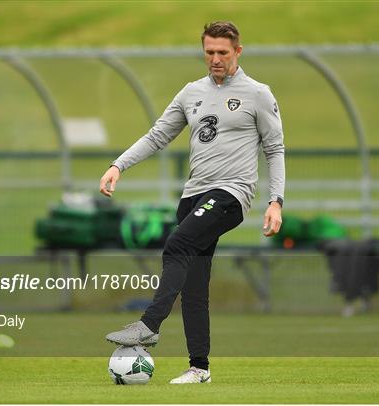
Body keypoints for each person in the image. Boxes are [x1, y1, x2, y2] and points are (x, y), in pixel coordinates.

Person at [99, 21, 285, 384]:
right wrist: (118, 165)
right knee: (194, 286)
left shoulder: (258, 94)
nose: (215, 59)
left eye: (223, 53)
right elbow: (157, 136)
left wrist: (275, 200)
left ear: (238, 52)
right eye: (209, 52)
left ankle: (148, 325)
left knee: (177, 245)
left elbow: (274, 149)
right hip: (192, 196)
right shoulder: (190, 93)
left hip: (230, 194)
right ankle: (199, 368)